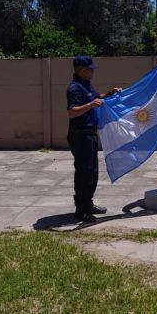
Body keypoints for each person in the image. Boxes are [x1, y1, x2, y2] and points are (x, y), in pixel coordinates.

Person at [67, 55, 121, 224]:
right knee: (83, 173)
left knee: (93, 172)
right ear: (82, 70)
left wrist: (109, 94)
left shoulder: (86, 85)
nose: (93, 72)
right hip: (80, 135)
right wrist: (90, 105)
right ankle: (81, 210)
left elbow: (97, 98)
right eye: (90, 69)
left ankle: (88, 203)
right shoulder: (74, 88)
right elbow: (72, 111)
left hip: (90, 134)